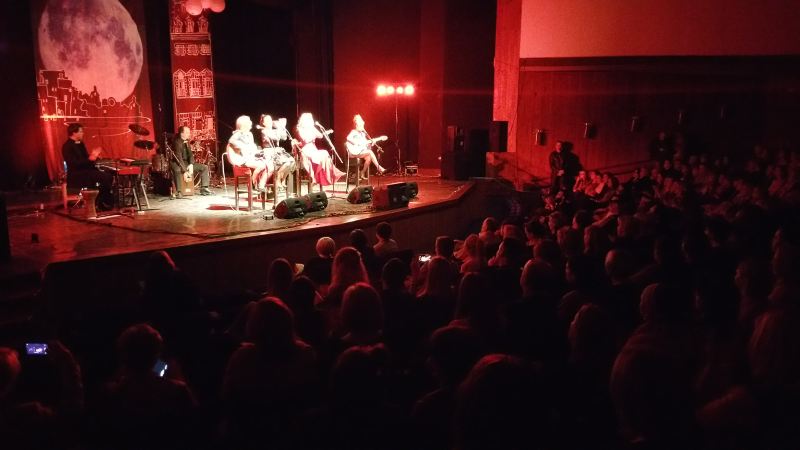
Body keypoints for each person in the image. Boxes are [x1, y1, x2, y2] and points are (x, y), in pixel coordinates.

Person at [61, 122, 114, 210]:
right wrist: (90, 159)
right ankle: (102, 202)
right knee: (104, 177)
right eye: (81, 131)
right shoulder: (67, 146)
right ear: (74, 133)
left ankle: (100, 200)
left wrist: (94, 157)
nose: (83, 133)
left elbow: (86, 158)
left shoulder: (80, 143)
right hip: (77, 174)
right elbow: (73, 163)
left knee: (109, 176)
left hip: (86, 171)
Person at [294, 112, 344, 190]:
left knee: (325, 153)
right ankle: (316, 177)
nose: (312, 120)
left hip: (313, 149)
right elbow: (306, 140)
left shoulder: (312, 128)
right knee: (323, 154)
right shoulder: (300, 129)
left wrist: (325, 132)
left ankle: (330, 174)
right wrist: (313, 134)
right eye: (310, 119)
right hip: (306, 150)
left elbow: (320, 136)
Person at [226, 115, 271, 192]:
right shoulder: (239, 133)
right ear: (244, 124)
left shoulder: (249, 134)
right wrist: (242, 146)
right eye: (249, 121)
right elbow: (231, 141)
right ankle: (254, 183)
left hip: (249, 157)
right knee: (262, 165)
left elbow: (252, 149)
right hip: (241, 159)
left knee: (267, 165)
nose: (251, 123)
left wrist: (259, 152)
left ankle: (260, 185)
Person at [255, 114, 296, 192]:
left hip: (277, 151)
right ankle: (278, 179)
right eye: (267, 120)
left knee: (291, 162)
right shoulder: (264, 130)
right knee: (284, 162)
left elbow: (284, 137)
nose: (270, 122)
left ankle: (280, 177)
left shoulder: (274, 130)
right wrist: (280, 127)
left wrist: (282, 128)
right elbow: (275, 137)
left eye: (270, 120)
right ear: (263, 123)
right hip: (269, 151)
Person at [171, 126, 211, 196]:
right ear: (182, 133)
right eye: (187, 132)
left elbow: (190, 155)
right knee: (177, 170)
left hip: (187, 163)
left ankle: (204, 188)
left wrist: (191, 164)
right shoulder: (176, 142)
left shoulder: (187, 141)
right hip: (178, 163)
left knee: (204, 167)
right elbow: (179, 158)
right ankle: (179, 191)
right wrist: (185, 171)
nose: (189, 134)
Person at [346, 114, 386, 180]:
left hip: (359, 152)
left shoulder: (363, 134)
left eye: (362, 126)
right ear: (356, 126)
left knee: (369, 157)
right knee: (370, 152)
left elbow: (366, 146)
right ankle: (379, 168)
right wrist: (356, 143)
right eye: (360, 126)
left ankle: (362, 172)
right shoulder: (353, 132)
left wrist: (371, 143)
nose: (362, 127)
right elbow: (348, 138)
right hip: (353, 152)